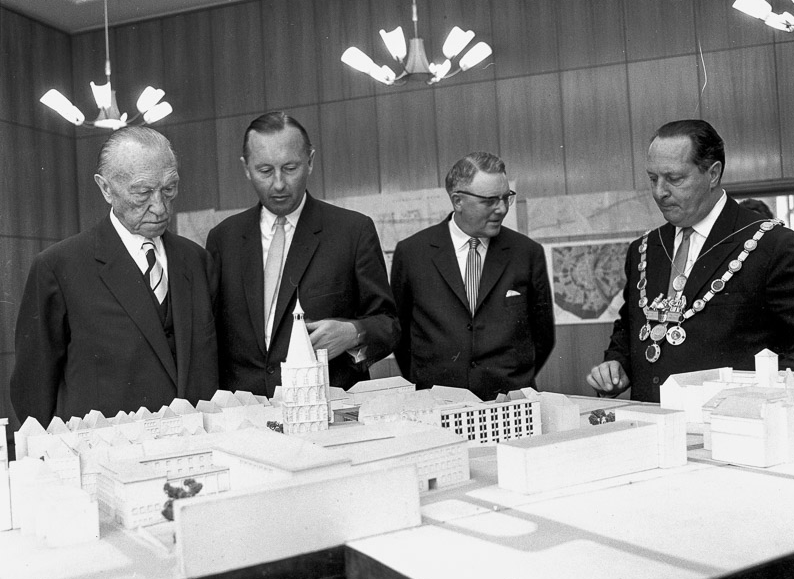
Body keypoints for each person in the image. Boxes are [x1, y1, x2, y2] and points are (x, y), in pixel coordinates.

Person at [10, 127, 218, 425]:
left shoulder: (197, 261)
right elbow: (33, 390)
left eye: (169, 189)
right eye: (142, 192)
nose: (159, 207)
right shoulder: (58, 267)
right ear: (106, 188)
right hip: (108, 459)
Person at [587, 119, 794, 403]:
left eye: (674, 179)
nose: (659, 191)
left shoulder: (775, 246)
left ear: (713, 174)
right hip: (654, 427)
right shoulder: (644, 248)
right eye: (653, 179)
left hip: (732, 431)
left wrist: (759, 400)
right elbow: (630, 325)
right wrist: (617, 364)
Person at [206, 111, 399, 397]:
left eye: (290, 168)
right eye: (265, 171)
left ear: (310, 161)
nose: (279, 184)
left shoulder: (352, 231)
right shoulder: (223, 239)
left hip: (325, 410)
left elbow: (389, 324)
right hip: (246, 418)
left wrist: (354, 333)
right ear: (246, 168)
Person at [391, 152, 555, 400]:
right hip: (438, 404)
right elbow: (400, 336)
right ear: (457, 201)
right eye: (489, 201)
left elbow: (543, 337)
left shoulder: (527, 253)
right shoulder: (412, 253)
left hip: (509, 404)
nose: (501, 209)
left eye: (505, 198)